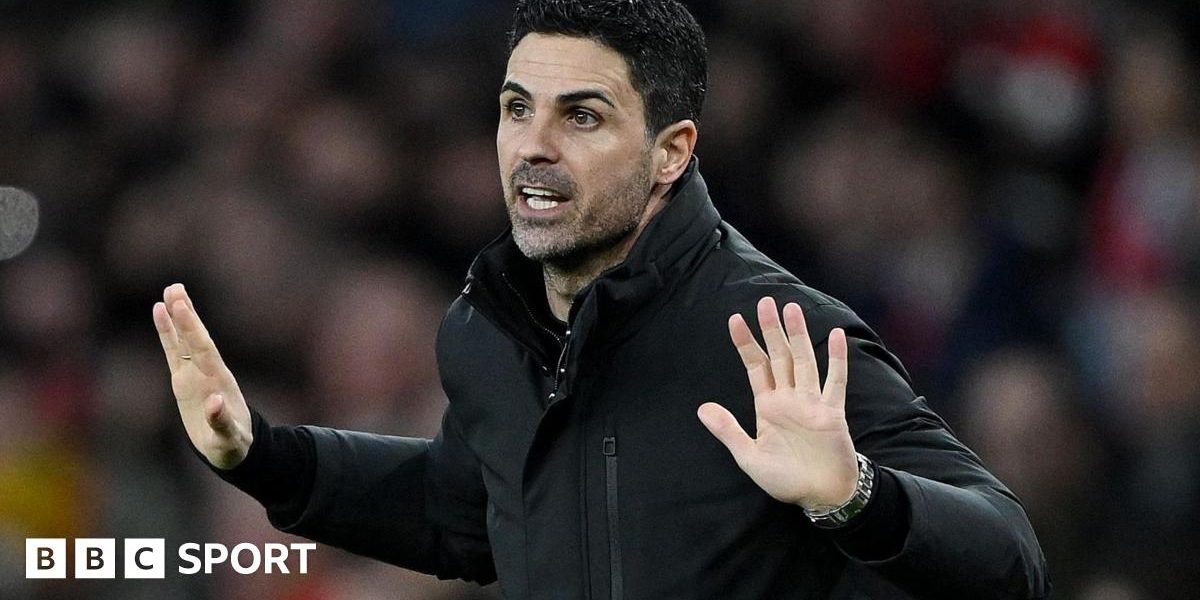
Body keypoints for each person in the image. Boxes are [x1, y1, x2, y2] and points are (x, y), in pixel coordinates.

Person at [152, 1, 1049, 598]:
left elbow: (1011, 557)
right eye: (515, 108)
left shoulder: (772, 334)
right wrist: (261, 456)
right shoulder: (485, 329)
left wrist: (855, 495)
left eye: (581, 116)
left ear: (670, 151)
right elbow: (464, 512)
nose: (531, 147)